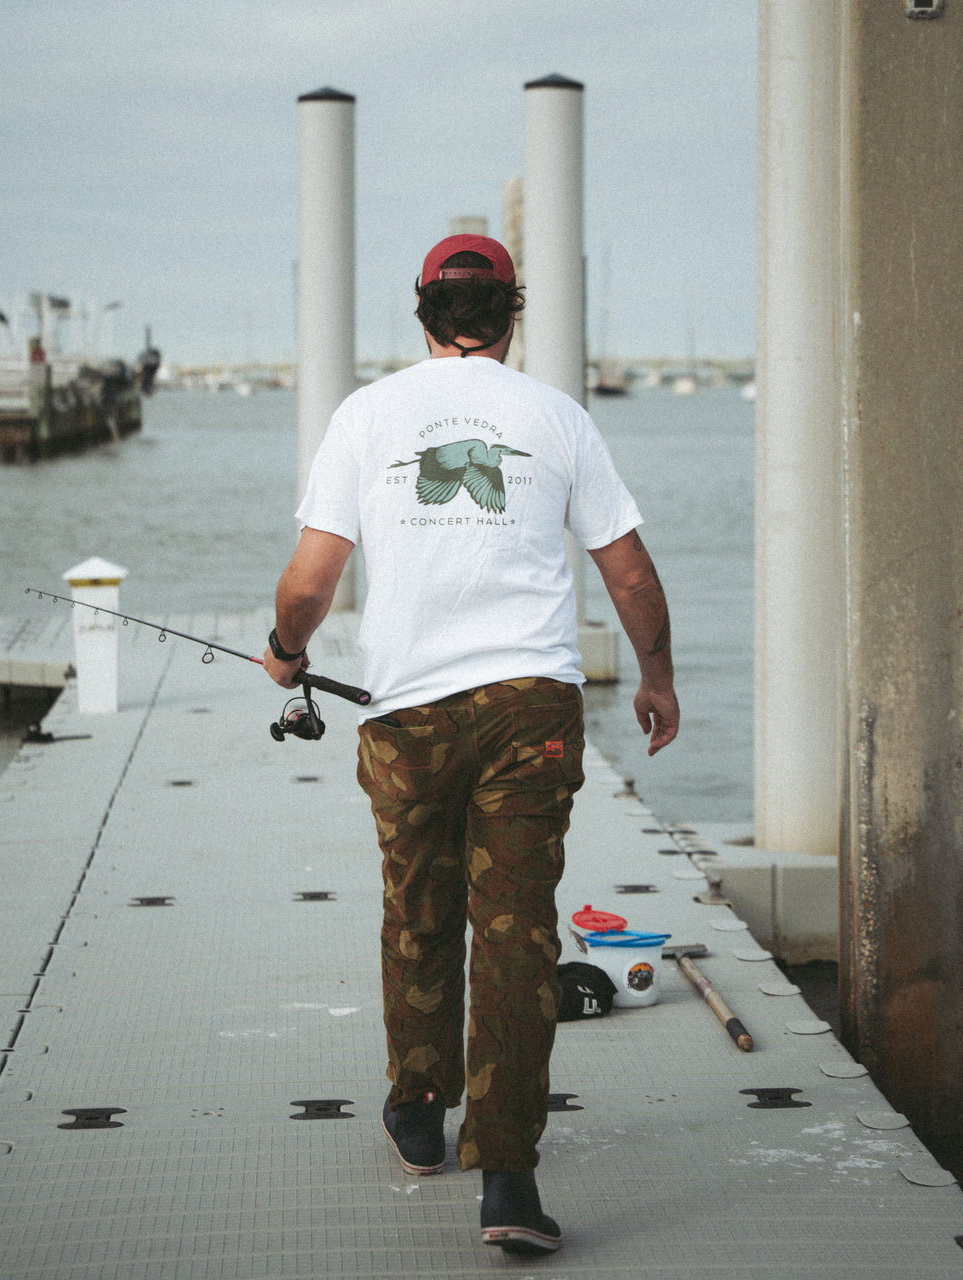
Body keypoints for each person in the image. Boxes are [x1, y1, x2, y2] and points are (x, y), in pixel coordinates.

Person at [263, 233, 679, 1255]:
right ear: (510, 314)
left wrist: (284, 650)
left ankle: (417, 1109)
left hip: (406, 712)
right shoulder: (558, 417)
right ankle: (506, 1179)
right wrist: (657, 676)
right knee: (515, 931)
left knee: (419, 904)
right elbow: (627, 571)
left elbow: (310, 581)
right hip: (531, 707)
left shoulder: (366, 416)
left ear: (423, 311)